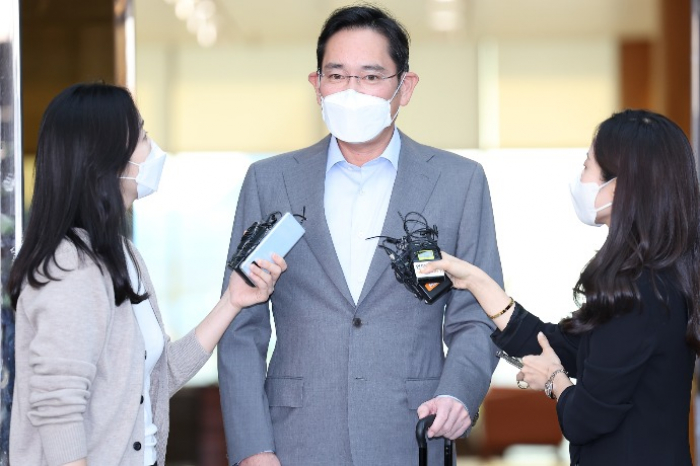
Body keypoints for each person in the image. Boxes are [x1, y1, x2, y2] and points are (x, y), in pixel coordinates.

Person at [218, 5, 503, 466]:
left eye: (371, 77)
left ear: (404, 87)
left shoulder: (458, 182)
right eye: (337, 75)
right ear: (317, 85)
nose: (351, 91)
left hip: (411, 432)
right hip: (294, 439)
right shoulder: (270, 182)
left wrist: (459, 394)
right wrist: (253, 446)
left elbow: (477, 316)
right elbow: (241, 325)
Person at [8, 83, 286, 466]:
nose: (153, 149)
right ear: (106, 156)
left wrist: (233, 301)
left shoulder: (125, 256)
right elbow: (58, 410)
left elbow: (158, 376)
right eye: (142, 137)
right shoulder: (69, 266)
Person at [422, 109, 700, 465]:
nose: (579, 178)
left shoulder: (641, 291)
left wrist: (553, 380)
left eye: (587, 166)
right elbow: (560, 346)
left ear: (615, 188)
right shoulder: (649, 278)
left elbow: (586, 418)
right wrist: (476, 280)